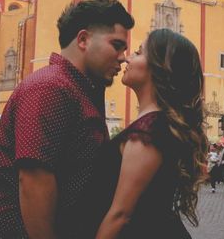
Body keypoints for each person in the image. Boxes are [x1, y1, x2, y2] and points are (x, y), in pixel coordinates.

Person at [0, 0, 134, 239]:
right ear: (83, 40)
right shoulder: (50, 88)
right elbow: (34, 181)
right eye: (117, 45)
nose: (123, 57)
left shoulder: (77, 89)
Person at [80, 28, 208, 238]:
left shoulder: (148, 133)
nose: (127, 58)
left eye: (139, 53)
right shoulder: (157, 125)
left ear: (160, 68)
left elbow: (120, 215)